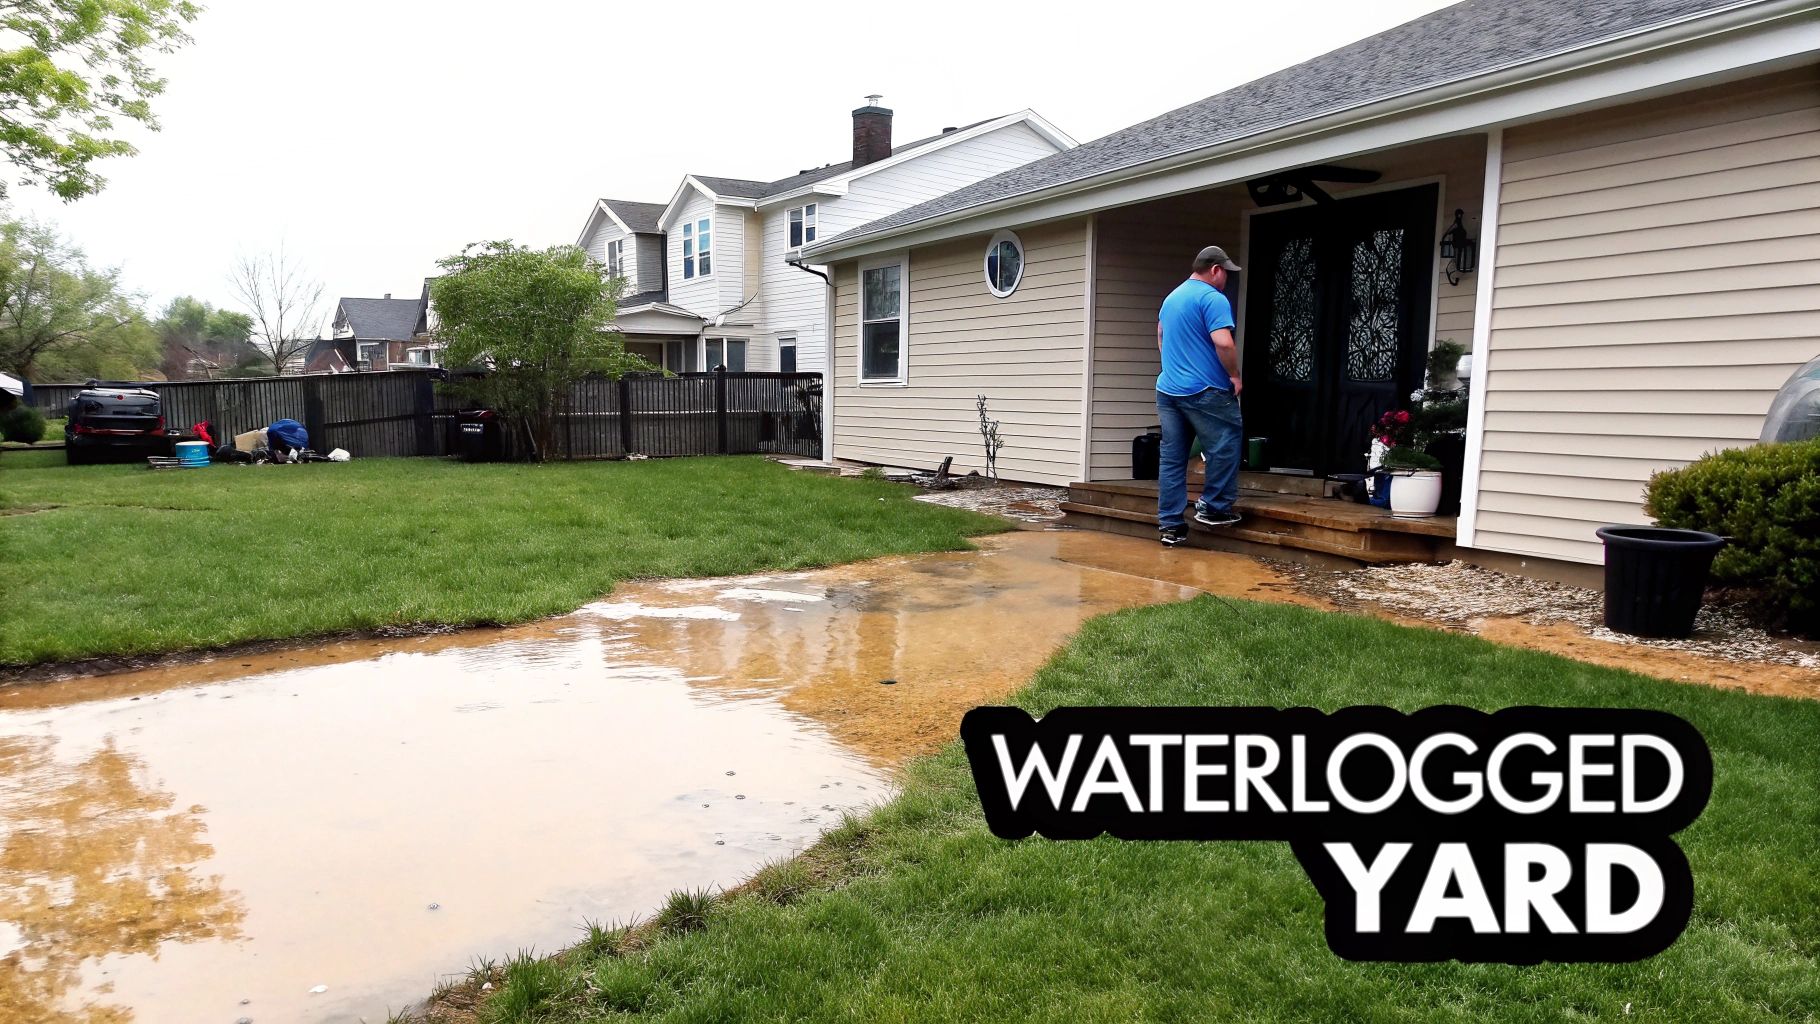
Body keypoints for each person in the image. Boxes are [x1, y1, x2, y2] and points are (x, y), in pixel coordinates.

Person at [1155, 245, 1244, 547]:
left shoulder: (1172, 297)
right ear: (1216, 269)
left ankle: (1171, 526)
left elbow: (1161, 335)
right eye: (1226, 274)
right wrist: (1234, 375)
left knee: (1172, 457)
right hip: (1206, 390)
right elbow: (1224, 343)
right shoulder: (1212, 298)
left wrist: (1174, 367)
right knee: (1226, 444)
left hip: (1168, 390)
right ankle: (1215, 508)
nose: (1227, 281)